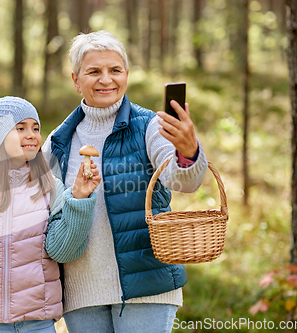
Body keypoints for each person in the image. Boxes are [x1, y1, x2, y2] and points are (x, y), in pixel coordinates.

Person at [41, 30, 208, 333]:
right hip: (80, 290)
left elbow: (184, 180)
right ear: (76, 80)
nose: (106, 79)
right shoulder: (57, 141)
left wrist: (188, 151)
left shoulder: (150, 127)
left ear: (126, 74)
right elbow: (35, 214)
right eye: (94, 71)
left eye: (115, 70)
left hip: (147, 285)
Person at [0, 96, 101, 333]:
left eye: (35, 128)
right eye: (20, 128)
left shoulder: (51, 188)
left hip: (39, 322)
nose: (32, 134)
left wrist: (80, 199)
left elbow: (63, 251)